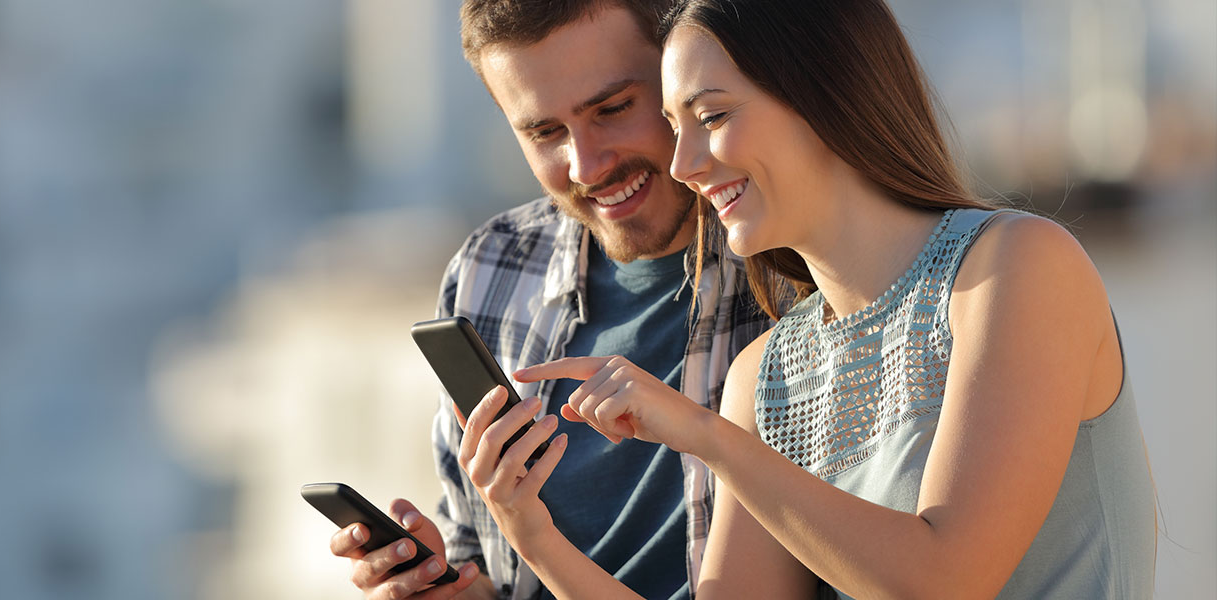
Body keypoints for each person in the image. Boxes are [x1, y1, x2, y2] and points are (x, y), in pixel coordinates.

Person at [504, 0, 1158, 597]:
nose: (684, 165)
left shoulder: (1014, 265)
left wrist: (706, 437)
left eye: (712, 117)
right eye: (676, 128)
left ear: (825, 93)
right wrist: (534, 538)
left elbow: (945, 579)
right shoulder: (763, 376)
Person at [325, 1, 771, 598]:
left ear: (679, 73)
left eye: (613, 109)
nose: (586, 166)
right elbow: (481, 553)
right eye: (544, 132)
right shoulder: (492, 270)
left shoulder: (787, 258)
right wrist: (447, 586)